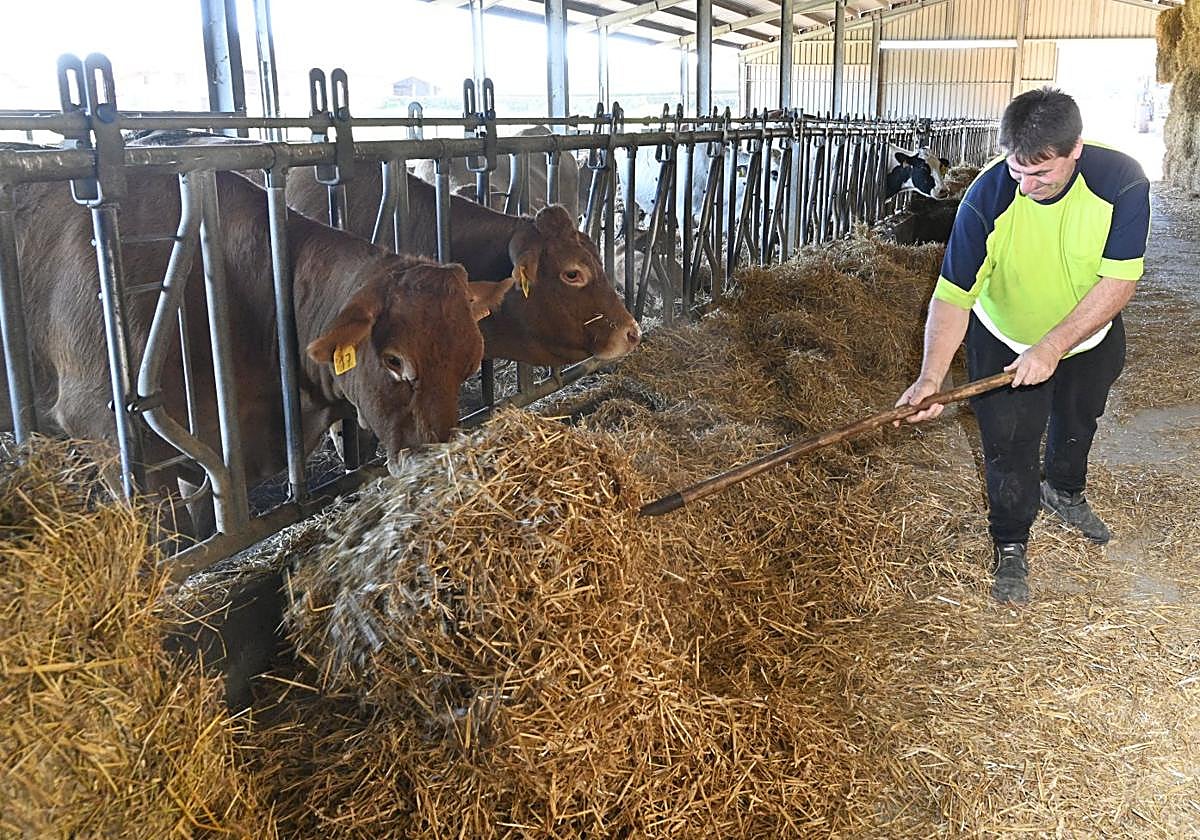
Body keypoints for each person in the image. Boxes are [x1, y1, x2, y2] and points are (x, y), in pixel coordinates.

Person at [895, 87, 1150, 605]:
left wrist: (1053, 346)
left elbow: (1119, 281)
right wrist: (930, 377)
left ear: (1075, 149)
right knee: (1009, 442)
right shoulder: (986, 198)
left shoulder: (1122, 181)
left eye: (1042, 174)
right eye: (1017, 171)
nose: (1027, 186)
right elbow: (953, 295)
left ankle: (1065, 491)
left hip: (1088, 333)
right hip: (1005, 334)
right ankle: (1010, 540)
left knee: (1079, 420)